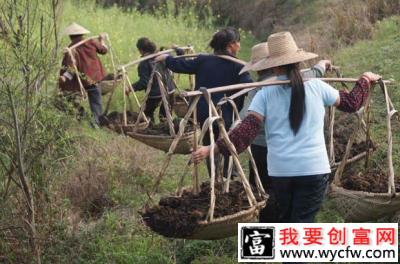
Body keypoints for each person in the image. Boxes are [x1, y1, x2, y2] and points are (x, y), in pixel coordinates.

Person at [192, 31, 381, 223]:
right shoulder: (317, 86)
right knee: (301, 223)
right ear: (298, 61)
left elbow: (246, 131)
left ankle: (273, 250)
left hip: (281, 171)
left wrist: (212, 148)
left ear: (273, 66)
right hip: (313, 170)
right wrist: (364, 79)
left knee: (284, 220)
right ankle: (286, 250)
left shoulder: (264, 94)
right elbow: (351, 103)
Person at [238, 42, 332, 223]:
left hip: (266, 152)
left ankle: (267, 241)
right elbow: (317, 73)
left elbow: (245, 121)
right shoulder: (308, 81)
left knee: (264, 194)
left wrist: (220, 143)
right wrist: (323, 64)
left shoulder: (260, 90)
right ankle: (283, 241)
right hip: (298, 160)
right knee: (297, 216)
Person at [155, 27, 252, 178]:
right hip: (225, 114)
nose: (239, 46)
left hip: (204, 113)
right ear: (231, 44)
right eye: (238, 42)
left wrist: (167, 59)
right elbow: (247, 87)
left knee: (209, 142)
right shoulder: (239, 66)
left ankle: (215, 175)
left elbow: (181, 65)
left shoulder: (203, 60)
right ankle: (227, 175)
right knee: (226, 143)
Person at [59, 22, 107, 127]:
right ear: (82, 34)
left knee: (69, 98)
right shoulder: (91, 42)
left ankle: (86, 118)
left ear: (70, 37)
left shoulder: (71, 49)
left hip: (81, 80)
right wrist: (102, 40)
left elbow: (71, 69)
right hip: (94, 77)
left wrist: (64, 77)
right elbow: (103, 50)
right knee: (96, 101)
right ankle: (96, 123)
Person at [128, 37, 176, 122]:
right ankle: (166, 130)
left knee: (146, 115)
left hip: (156, 94)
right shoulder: (163, 55)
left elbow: (144, 82)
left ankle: (152, 129)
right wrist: (177, 49)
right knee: (166, 115)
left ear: (141, 50)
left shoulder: (144, 63)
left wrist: (131, 87)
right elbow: (177, 58)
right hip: (170, 90)